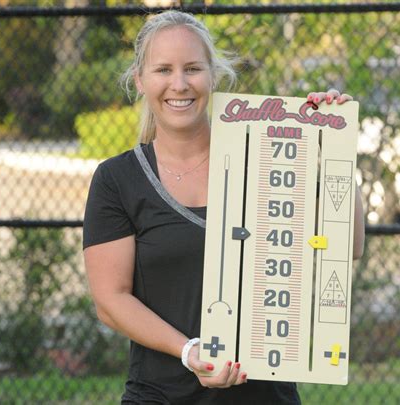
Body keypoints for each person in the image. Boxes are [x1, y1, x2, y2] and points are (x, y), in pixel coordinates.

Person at [83, 10, 365, 405]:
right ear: (140, 81)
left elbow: (347, 246)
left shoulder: (268, 160)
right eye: (163, 69)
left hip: (266, 396)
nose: (179, 84)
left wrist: (331, 150)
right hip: (159, 395)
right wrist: (190, 351)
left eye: (193, 68)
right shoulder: (117, 179)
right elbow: (111, 301)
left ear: (213, 76)